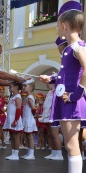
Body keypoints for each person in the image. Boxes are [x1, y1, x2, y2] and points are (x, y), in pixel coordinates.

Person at [40, 2, 86, 172]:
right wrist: (52, 79)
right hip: (68, 100)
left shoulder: (78, 47)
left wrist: (76, 94)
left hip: (72, 101)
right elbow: (67, 75)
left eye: (57, 26)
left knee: (72, 146)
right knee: (70, 145)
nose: (58, 29)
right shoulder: (70, 49)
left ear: (64, 26)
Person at [3, 81, 23, 160]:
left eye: (11, 86)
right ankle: (13, 153)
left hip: (15, 119)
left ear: (16, 87)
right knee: (12, 137)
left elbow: (18, 109)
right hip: (10, 118)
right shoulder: (12, 96)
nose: (9, 88)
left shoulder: (17, 96)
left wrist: (15, 120)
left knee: (16, 137)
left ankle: (16, 154)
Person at [21, 78, 38, 160]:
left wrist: (34, 114)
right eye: (23, 86)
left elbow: (33, 108)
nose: (23, 87)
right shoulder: (28, 97)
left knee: (30, 136)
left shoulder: (30, 97)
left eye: (25, 86)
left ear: (31, 88)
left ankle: (31, 154)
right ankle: (28, 153)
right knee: (27, 136)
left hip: (29, 119)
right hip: (27, 118)